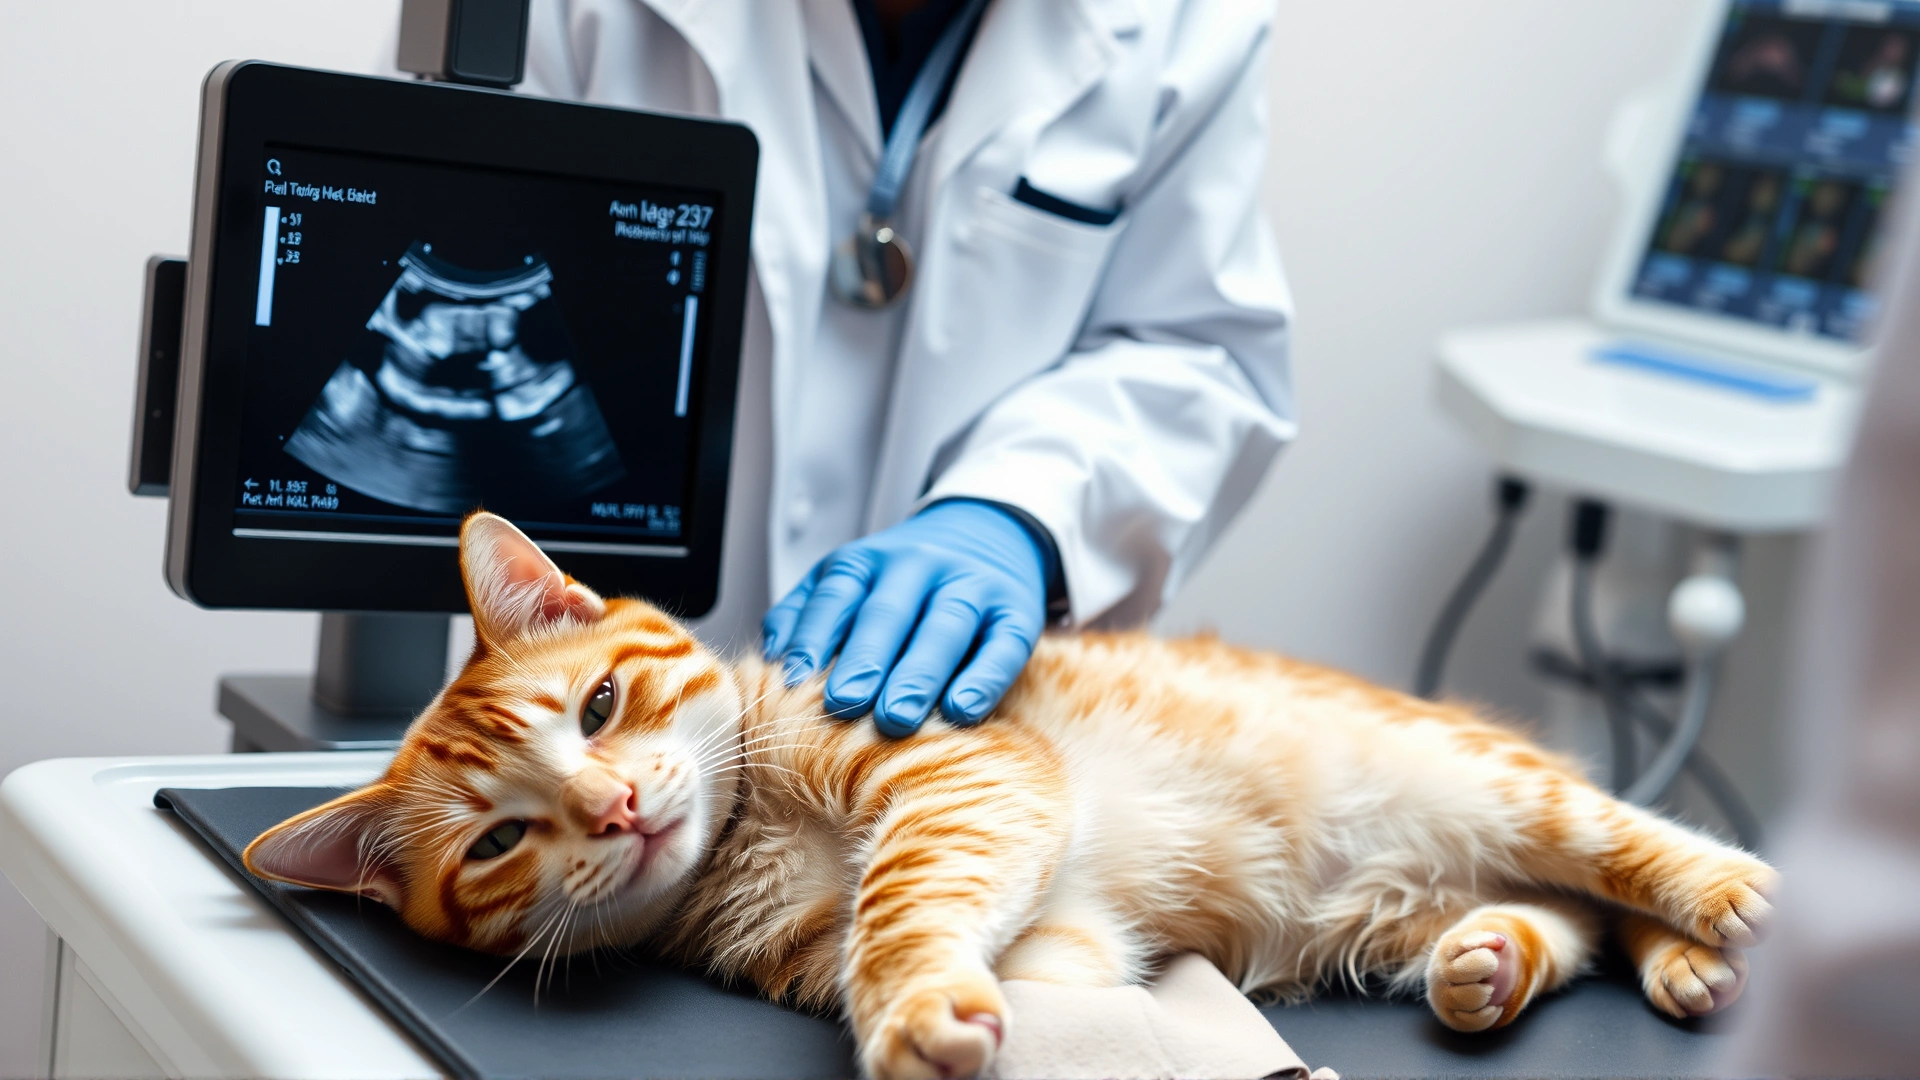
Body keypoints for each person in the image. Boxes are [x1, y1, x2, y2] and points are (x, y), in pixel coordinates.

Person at [517, 0, 1296, 735]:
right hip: (598, 723)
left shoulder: (1189, 22)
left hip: (970, 737)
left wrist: (1012, 517)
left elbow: (1197, 348)